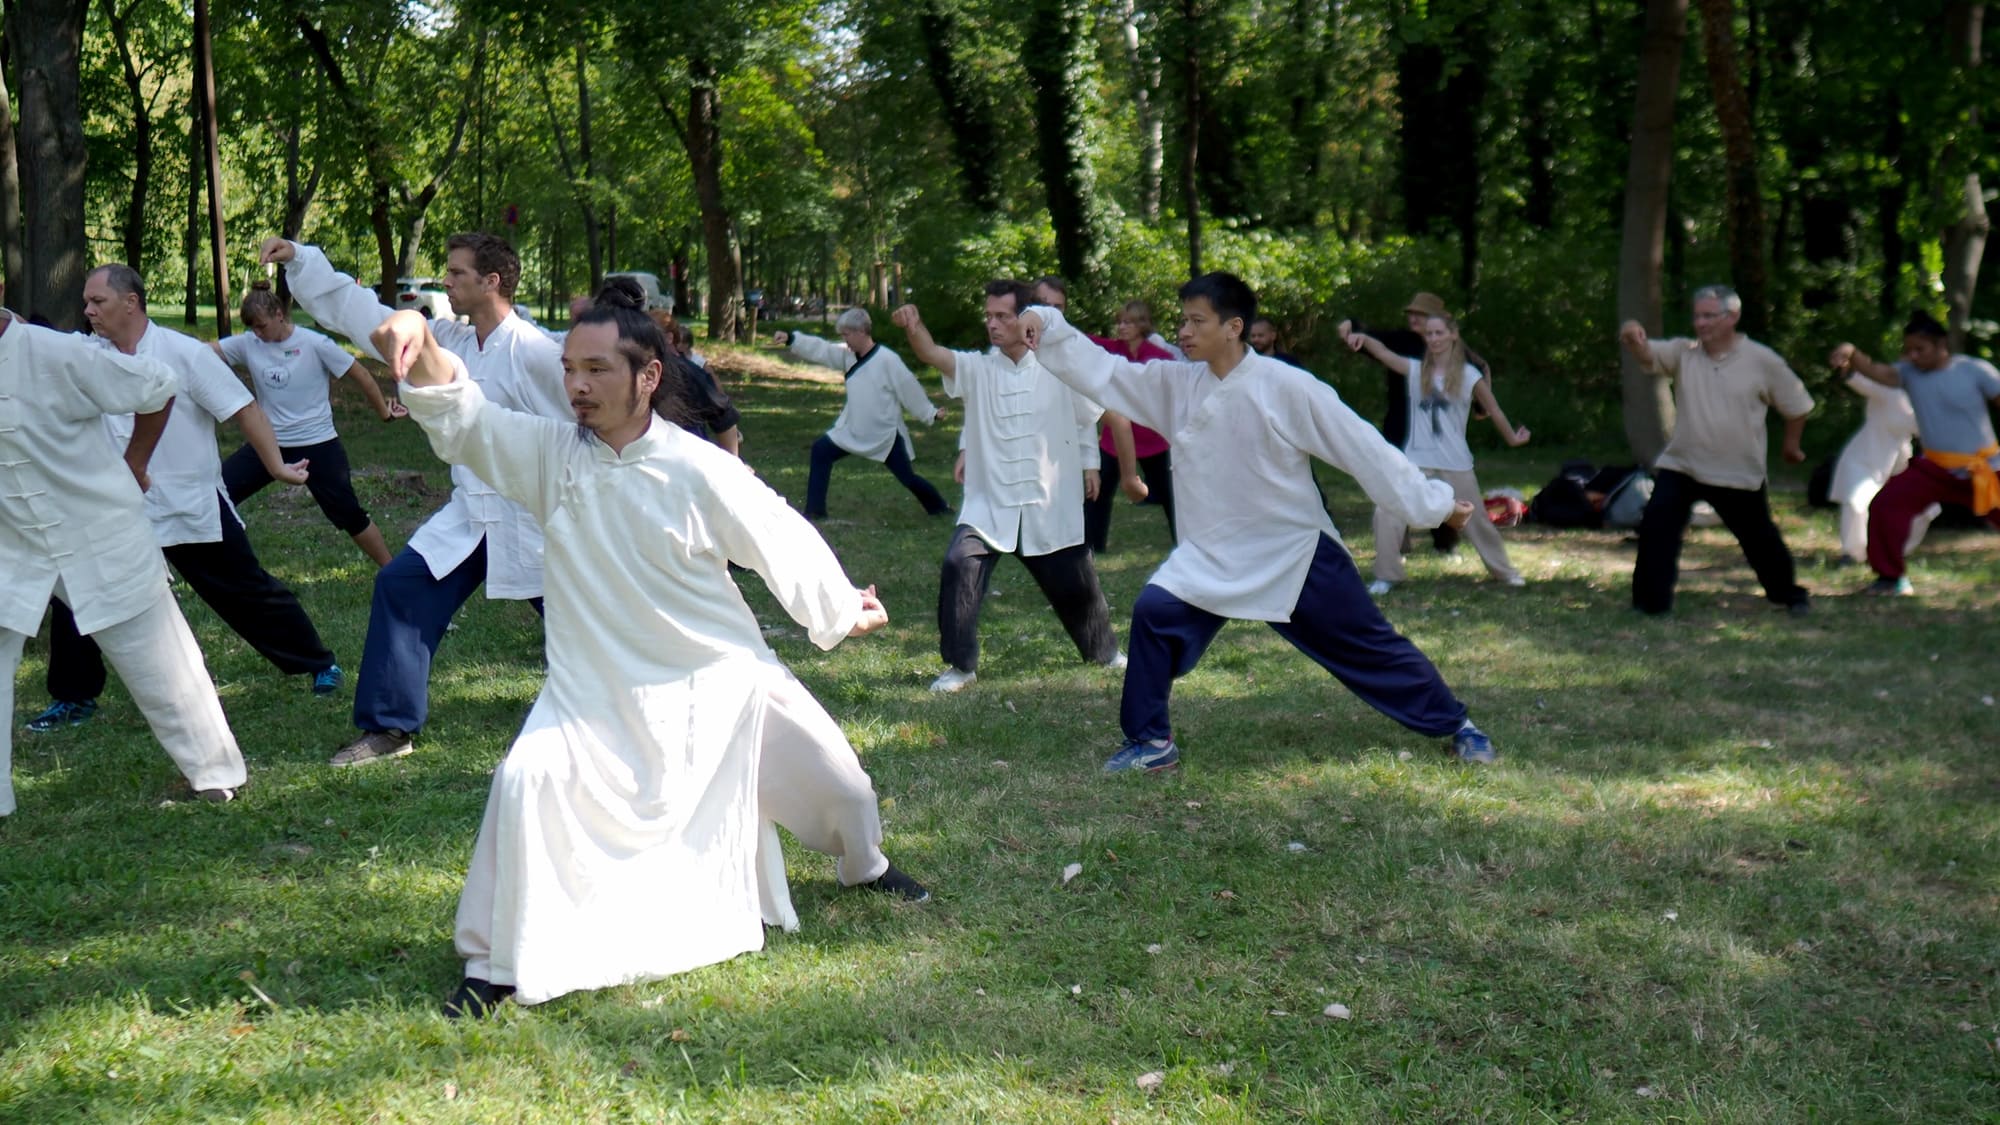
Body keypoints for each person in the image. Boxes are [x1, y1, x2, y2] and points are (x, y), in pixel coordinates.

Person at [365, 291, 928, 1018]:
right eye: (569, 369)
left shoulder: (699, 469)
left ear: (649, 376)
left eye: (597, 369)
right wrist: (420, 337)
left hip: (725, 678)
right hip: (593, 691)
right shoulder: (547, 456)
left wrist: (840, 606)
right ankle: (498, 964)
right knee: (524, 779)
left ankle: (867, 867)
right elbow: (467, 419)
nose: (576, 385)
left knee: (846, 790)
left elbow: (775, 532)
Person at [1022, 272, 1500, 770]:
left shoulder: (1287, 387)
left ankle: (1458, 725)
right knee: (1156, 613)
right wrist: (1046, 321)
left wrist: (1436, 506)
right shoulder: (1174, 384)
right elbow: (1102, 370)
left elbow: (1365, 451)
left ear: (1233, 327)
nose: (1184, 331)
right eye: (1182, 320)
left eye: (1197, 321)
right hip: (1211, 552)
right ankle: (1150, 742)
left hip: (1291, 551)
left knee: (1369, 648)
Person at [264, 232, 574, 766]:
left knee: (587, 623)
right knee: (402, 586)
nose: (446, 282)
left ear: (491, 281)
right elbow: (360, 311)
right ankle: (389, 727)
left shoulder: (538, 352)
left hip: (539, 516)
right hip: (473, 512)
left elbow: (588, 421)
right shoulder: (447, 339)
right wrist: (303, 260)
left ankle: (612, 714)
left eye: (456, 274)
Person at [26, 265, 344, 735]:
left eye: (98, 302)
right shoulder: (86, 355)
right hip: (112, 506)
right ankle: (74, 697)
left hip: (187, 501)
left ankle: (318, 663)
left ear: (130, 302)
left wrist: (276, 466)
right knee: (78, 591)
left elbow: (244, 408)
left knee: (243, 591)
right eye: (87, 303)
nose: (88, 311)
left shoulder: (184, 353)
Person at [0, 289, 249, 811]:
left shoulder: (56, 353)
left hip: (98, 531)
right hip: (14, 540)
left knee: (159, 656)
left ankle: (215, 774)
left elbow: (158, 386)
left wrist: (135, 462)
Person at [893, 282, 1121, 694]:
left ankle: (1104, 653)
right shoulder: (978, 369)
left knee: (1079, 587)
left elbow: (1090, 417)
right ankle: (960, 666)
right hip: (989, 505)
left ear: (1027, 319)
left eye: (1003, 316)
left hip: (1048, 505)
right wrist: (914, 326)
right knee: (958, 565)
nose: (993, 324)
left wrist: (1091, 464)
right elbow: (931, 353)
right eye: (989, 316)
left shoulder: (1061, 368)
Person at [1617, 285, 1815, 617]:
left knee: (1759, 539)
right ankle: (1650, 605)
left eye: (1709, 316)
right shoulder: (1684, 353)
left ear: (1732, 317)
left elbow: (1797, 405)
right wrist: (1631, 334)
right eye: (1697, 316)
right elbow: (1646, 354)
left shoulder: (1761, 360)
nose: (1701, 323)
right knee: (1657, 526)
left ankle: (1789, 595)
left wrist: (1791, 445)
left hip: (1736, 470)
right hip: (1683, 464)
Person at [214, 280, 406, 568]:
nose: (257, 333)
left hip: (318, 446)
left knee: (348, 514)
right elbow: (200, 354)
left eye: (262, 326)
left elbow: (361, 375)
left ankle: (391, 570)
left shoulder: (314, 344)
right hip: (269, 445)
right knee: (217, 495)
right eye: (252, 328)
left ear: (279, 315)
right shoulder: (248, 344)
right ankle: (222, 566)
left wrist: (384, 412)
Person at [1349, 313, 1531, 592]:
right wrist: (1364, 340)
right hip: (1415, 460)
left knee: (1477, 520)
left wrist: (1513, 439)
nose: (1433, 339)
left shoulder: (1469, 375)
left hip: (1453, 461)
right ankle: (1387, 575)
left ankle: (1505, 573)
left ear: (1452, 335)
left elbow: (1492, 408)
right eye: (1429, 334)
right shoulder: (1415, 370)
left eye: (1439, 333)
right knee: (1386, 512)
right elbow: (1385, 354)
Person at [1830, 311, 2000, 595]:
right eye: (1908, 350)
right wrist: (1851, 353)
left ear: (1941, 344)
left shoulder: (1975, 370)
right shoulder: (1908, 374)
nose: (1913, 356)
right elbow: (1876, 371)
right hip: (1934, 468)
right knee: (1886, 505)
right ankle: (1890, 579)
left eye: (1920, 349)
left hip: (1984, 467)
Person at [1338, 292, 1492, 554]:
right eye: (1411, 314)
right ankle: (1398, 543)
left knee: (1443, 487)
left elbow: (1479, 368)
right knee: (1396, 482)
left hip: (1439, 431)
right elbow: (1366, 337)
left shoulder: (1455, 349)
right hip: (1400, 425)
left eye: (1419, 314)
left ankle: (1446, 544)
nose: (1413, 318)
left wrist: (1481, 407)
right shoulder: (1400, 341)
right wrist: (1348, 328)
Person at [775, 311, 950, 519]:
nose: (844, 340)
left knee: (908, 477)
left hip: (884, 435)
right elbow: (822, 349)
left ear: (861, 332)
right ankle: (815, 511)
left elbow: (908, 388)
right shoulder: (847, 356)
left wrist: (930, 413)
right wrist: (792, 339)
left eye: (846, 334)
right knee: (821, 450)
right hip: (853, 429)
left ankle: (939, 508)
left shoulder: (887, 360)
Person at [1085, 300, 1177, 553]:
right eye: (1120, 322)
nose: (1122, 327)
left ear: (1142, 325)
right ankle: (1092, 547)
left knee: (1172, 495)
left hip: (1154, 439)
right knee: (1097, 492)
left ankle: (1185, 543)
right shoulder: (1112, 350)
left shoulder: (1160, 357)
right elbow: (1082, 341)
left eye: (1129, 322)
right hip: (1115, 438)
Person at [1825, 360, 1937, 566]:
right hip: (1864, 457)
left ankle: (1896, 549)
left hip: (1899, 461)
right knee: (1856, 500)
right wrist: (1846, 366)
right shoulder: (1888, 390)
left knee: (1926, 508)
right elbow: (1859, 380)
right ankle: (1853, 553)